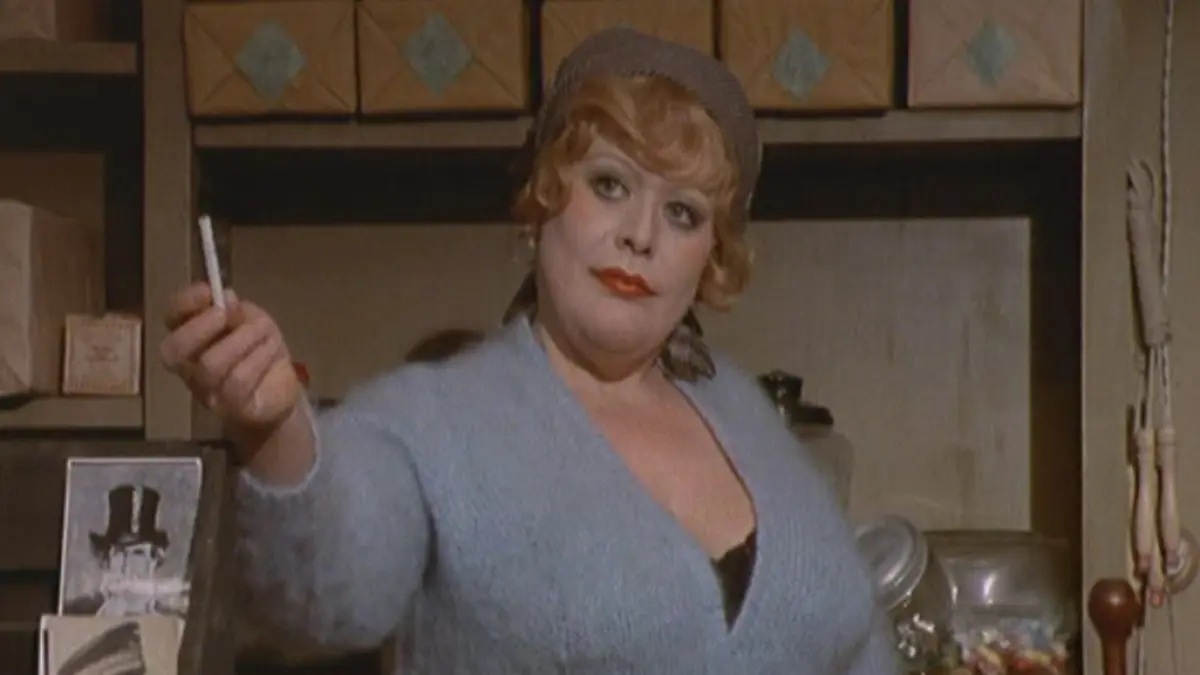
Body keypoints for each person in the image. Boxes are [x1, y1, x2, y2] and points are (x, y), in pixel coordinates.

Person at [159, 28, 898, 674]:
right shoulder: (436, 420)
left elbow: (852, 633)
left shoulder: (747, 417)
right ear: (545, 198)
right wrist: (272, 428)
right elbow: (329, 596)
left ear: (711, 259)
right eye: (609, 184)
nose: (641, 234)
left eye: (682, 212)